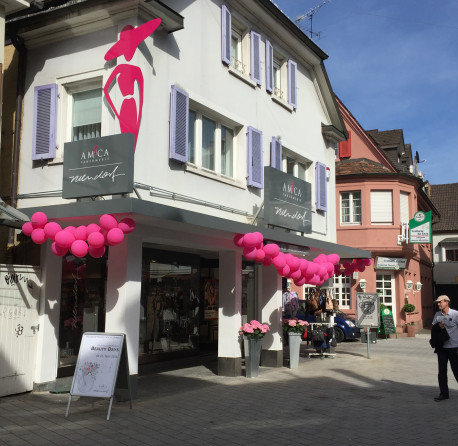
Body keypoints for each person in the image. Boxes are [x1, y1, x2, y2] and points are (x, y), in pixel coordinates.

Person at [432, 295, 458, 401]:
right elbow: (433, 329)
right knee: (442, 371)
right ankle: (444, 393)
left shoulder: (455, 314)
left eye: (440, 302)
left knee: (456, 370)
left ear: (447, 302)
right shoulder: (437, 315)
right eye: (437, 302)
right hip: (441, 348)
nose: (438, 304)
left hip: (454, 347)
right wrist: (438, 326)